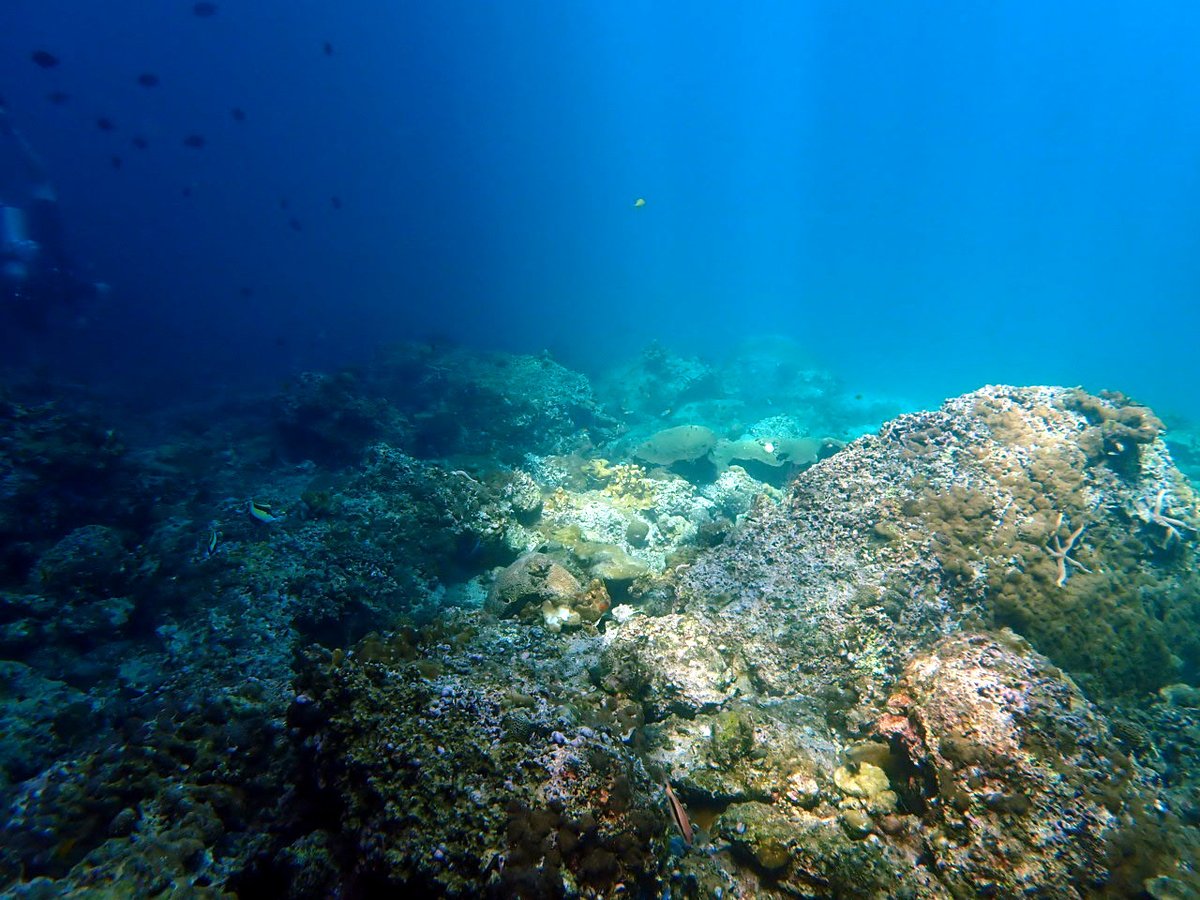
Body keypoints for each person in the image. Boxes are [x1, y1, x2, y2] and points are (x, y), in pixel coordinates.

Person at [0, 102, 107, 331]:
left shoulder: (57, 292)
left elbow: (101, 289)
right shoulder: (67, 291)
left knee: (40, 185)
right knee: (41, 184)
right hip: (43, 249)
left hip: (35, 253)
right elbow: (100, 289)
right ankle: (11, 131)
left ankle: (11, 131)